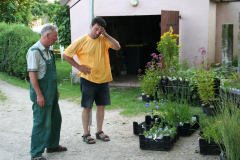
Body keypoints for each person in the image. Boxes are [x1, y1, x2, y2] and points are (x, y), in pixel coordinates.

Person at [63, 17, 121, 144]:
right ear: (91, 26)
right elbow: (66, 55)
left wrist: (105, 34)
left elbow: (117, 47)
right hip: (88, 79)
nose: (97, 32)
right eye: (95, 29)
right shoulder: (81, 41)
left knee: (101, 106)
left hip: (103, 79)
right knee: (87, 107)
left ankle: (99, 132)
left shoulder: (103, 39)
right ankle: (86, 134)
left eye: (100, 30)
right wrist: (78, 67)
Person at [26, 24, 67, 160]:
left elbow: (51, 74)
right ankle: (36, 154)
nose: (56, 38)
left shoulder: (48, 51)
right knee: (41, 121)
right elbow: (32, 75)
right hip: (42, 93)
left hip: (52, 92)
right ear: (48, 35)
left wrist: (56, 90)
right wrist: (39, 94)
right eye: (55, 36)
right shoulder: (34, 51)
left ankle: (52, 145)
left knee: (56, 119)